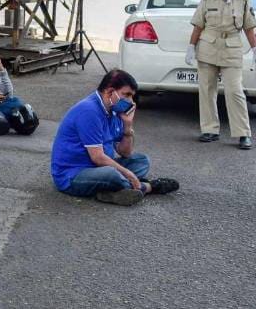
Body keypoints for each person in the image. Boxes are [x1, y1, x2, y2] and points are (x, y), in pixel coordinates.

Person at [51, 69, 180, 206]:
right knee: (111, 174)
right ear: (109, 92)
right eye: (127, 95)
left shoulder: (114, 111)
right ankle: (147, 187)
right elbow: (97, 157)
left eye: (132, 96)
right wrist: (129, 174)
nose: (131, 101)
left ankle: (109, 192)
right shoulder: (89, 111)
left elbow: (125, 152)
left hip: (98, 168)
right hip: (73, 175)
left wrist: (127, 126)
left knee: (142, 161)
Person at [184, 0, 256, 150]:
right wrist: (191, 47)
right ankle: (209, 129)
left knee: (235, 90)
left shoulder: (243, 0)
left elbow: (249, 28)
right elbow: (198, 26)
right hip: (208, 48)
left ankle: (243, 133)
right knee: (207, 90)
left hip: (232, 49)